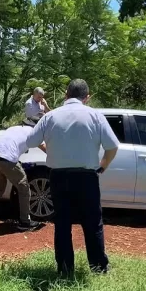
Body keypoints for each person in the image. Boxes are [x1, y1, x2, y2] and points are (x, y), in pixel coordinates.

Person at [26, 79, 119, 276]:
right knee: (93, 222)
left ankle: (65, 269)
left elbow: (31, 140)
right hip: (87, 177)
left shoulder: (50, 116)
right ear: (87, 97)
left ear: (65, 95)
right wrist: (103, 166)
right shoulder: (95, 115)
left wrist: (49, 147)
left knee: (62, 223)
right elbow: (112, 146)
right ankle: (99, 268)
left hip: (58, 176)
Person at [0, 116, 47, 231]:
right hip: (8, 160)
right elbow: (44, 148)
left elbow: (12, 144)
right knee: (24, 187)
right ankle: (25, 222)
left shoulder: (12, 128)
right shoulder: (33, 132)